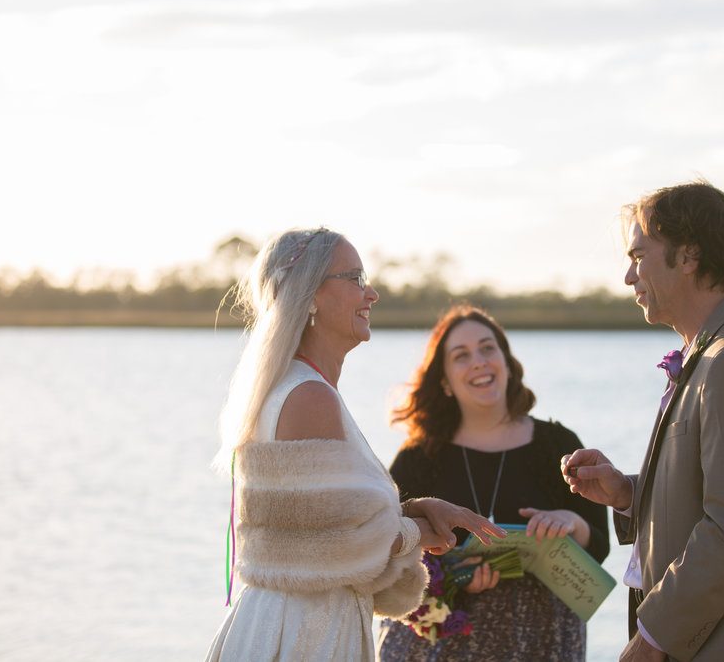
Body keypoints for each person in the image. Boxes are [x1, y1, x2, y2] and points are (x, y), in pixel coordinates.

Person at [204, 228, 505, 661]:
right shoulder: (309, 396)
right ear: (310, 296)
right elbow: (341, 548)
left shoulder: (301, 388)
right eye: (356, 278)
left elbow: (314, 528)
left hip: (303, 621)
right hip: (303, 634)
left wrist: (415, 510)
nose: (373, 294)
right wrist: (421, 532)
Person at [563, 182, 724, 662]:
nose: (629, 276)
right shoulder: (710, 354)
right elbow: (710, 495)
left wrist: (651, 641)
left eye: (639, 255)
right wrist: (628, 493)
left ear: (688, 255)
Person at [378, 305, 610, 661]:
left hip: (543, 642)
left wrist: (572, 523)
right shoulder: (418, 459)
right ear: (444, 379)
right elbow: (388, 554)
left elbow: (600, 547)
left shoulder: (558, 444)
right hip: (441, 649)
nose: (479, 362)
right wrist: (455, 577)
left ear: (506, 360)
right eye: (461, 355)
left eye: (488, 348)